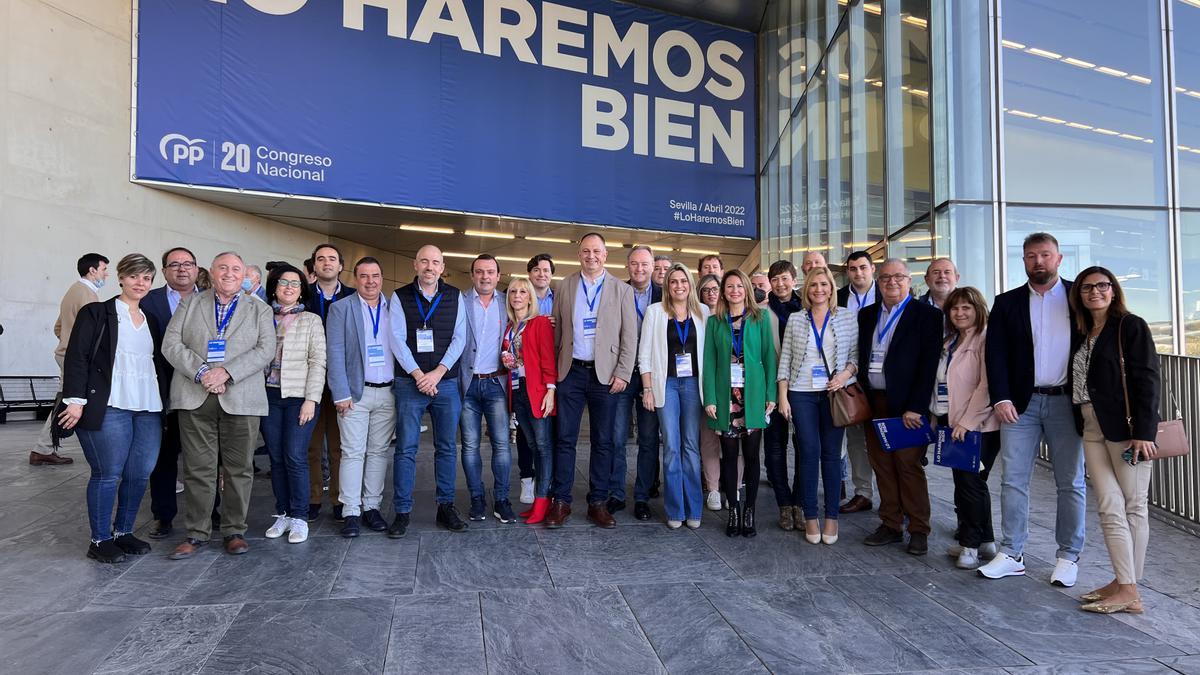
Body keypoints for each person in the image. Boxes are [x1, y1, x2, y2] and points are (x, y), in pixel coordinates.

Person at [979, 232, 1086, 587]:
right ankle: (1012, 553)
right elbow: (995, 354)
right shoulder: (1007, 303)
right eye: (1030, 256)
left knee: (1070, 482)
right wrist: (1001, 398)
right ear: (1023, 261)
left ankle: (1068, 556)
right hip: (1019, 406)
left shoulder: (1078, 298)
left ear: (1058, 259)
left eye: (1044, 255)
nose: (1037, 262)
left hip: (1066, 404)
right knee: (1013, 480)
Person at [165, 252, 274, 559]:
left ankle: (234, 531)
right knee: (198, 469)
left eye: (236, 269)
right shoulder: (191, 303)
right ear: (210, 273)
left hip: (241, 398)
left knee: (239, 470)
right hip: (194, 394)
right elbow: (171, 344)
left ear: (246, 277)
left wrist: (227, 372)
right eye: (222, 268)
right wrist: (202, 373)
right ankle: (196, 533)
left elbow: (266, 349)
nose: (228, 273)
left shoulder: (259, 309)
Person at [57, 254, 165, 563]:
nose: (140, 283)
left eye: (146, 278)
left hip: (147, 406)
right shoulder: (97, 313)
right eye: (134, 276)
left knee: (139, 473)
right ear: (121, 277)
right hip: (110, 404)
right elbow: (76, 356)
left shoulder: (151, 320)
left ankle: (124, 532)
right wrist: (75, 401)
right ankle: (100, 539)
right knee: (108, 473)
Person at [1068, 267, 1160, 614]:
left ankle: (1129, 589)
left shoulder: (1129, 326)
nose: (1095, 292)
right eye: (1088, 287)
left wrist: (1145, 432)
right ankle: (1124, 583)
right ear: (1079, 294)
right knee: (1109, 506)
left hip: (1127, 430)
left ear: (1113, 289)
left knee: (1134, 506)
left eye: (1102, 286)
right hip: (1092, 427)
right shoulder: (1083, 331)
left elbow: (1148, 378)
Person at [546, 233, 638, 529]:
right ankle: (561, 501)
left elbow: (630, 336)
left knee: (604, 441)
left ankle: (597, 502)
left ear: (605, 255)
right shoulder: (565, 286)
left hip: (606, 374)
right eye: (586, 251)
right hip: (570, 372)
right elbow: (558, 332)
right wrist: (555, 373)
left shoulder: (621, 289)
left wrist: (623, 372)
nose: (591, 256)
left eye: (596, 251)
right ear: (579, 254)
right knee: (564, 439)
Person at [856, 259, 942, 555]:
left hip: (908, 407)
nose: (891, 282)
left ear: (910, 281)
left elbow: (929, 365)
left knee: (908, 466)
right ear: (878, 282)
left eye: (898, 277)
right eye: (885, 278)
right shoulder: (867, 315)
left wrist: (917, 406)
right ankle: (890, 524)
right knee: (882, 466)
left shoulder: (927, 315)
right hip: (874, 403)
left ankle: (919, 528)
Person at [388, 245, 469, 533]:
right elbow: (396, 339)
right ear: (415, 264)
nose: (429, 267)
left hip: (446, 383)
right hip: (410, 383)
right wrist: (420, 375)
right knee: (406, 449)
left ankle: (445, 507)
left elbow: (460, 338)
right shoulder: (399, 297)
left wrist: (437, 373)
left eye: (435, 262)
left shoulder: (456, 296)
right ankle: (402, 511)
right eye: (424, 261)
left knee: (447, 447)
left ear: (442, 265)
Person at [777, 267, 858, 545]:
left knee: (832, 456)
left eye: (824, 284)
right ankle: (810, 516)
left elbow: (855, 356)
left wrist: (844, 376)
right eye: (813, 285)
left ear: (832, 288)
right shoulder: (797, 319)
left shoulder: (846, 317)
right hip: (801, 394)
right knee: (808, 453)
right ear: (806, 290)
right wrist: (783, 396)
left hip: (833, 394)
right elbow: (785, 359)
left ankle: (831, 518)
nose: (819, 289)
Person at [326, 257, 396, 538]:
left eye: (375, 275)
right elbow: (335, 353)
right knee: (353, 452)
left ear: (382, 278)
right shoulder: (340, 308)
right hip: (355, 394)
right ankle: (351, 511)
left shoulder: (394, 307)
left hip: (388, 392)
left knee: (379, 452)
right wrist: (340, 393)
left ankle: (372, 507)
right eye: (364, 276)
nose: (370, 281)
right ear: (355, 279)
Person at [703, 270, 777, 538]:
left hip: (754, 397)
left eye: (739, 286)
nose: (734, 290)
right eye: (729, 286)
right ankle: (733, 510)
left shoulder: (761, 318)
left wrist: (771, 394)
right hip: (726, 399)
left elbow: (769, 356)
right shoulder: (715, 322)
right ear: (723, 292)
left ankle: (750, 511)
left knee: (753, 456)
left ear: (746, 289)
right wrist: (709, 398)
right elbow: (709, 363)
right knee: (730, 456)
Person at [934, 287, 1000, 569]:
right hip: (953, 423)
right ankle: (986, 542)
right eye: (955, 308)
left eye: (966, 308)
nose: (960, 313)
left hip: (979, 427)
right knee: (967, 484)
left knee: (971, 485)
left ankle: (971, 546)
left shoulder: (986, 339)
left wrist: (968, 423)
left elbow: (987, 385)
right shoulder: (951, 340)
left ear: (978, 309)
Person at [260, 264, 326, 544]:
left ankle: (300, 516)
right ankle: (283, 513)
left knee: (295, 456)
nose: (289, 287)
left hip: (299, 397)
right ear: (274, 287)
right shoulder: (262, 316)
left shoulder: (311, 320)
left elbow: (318, 361)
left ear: (302, 291)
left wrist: (311, 399)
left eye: (295, 284)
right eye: (284, 282)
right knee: (275, 458)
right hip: (268, 396)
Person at [640, 263, 708, 529]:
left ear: (690, 285)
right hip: (665, 384)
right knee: (670, 446)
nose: (679, 286)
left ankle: (694, 509)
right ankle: (675, 509)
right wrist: (647, 388)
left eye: (683, 281)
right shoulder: (655, 312)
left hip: (693, 385)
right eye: (673, 282)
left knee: (691, 446)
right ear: (667, 286)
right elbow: (644, 354)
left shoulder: (703, 312)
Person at [30, 252, 109, 466]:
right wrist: (77, 348)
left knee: (65, 399)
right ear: (92, 270)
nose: (107, 274)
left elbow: (58, 327)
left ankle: (43, 448)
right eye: (104, 269)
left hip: (66, 355)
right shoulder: (87, 295)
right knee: (68, 401)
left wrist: (67, 341)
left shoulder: (72, 291)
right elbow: (91, 334)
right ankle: (43, 448)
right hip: (76, 359)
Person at [141, 247, 198, 539]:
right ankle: (163, 516)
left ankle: (208, 513)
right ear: (163, 271)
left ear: (197, 269)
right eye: (174, 265)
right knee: (163, 458)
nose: (182, 269)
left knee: (202, 458)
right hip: (160, 392)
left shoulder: (215, 301)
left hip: (202, 392)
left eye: (188, 263)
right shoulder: (147, 302)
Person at [459, 254, 515, 523]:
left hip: (497, 383)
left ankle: (502, 499)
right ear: (472, 276)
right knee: (469, 446)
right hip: (467, 385)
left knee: (502, 445)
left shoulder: (507, 303)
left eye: (490, 272)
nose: (485, 276)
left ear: (498, 275)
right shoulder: (459, 302)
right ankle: (477, 498)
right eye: (479, 272)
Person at [304, 243, 356, 522]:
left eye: (332, 259)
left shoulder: (352, 296)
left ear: (340, 266)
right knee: (312, 446)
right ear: (313, 265)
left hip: (342, 382)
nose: (326, 263)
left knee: (339, 446)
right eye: (320, 259)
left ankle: (338, 498)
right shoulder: (302, 295)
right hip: (308, 382)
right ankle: (313, 497)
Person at [611, 245, 662, 521]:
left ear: (653, 266)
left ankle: (642, 496)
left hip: (652, 377)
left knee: (649, 438)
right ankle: (617, 493)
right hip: (623, 373)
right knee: (617, 437)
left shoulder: (665, 295)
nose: (639, 269)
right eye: (634, 264)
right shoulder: (617, 292)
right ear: (627, 266)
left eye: (644, 264)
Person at [501, 278, 557, 524]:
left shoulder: (540, 323)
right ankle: (539, 500)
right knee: (533, 446)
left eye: (523, 291)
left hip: (538, 391)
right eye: (513, 291)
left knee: (544, 448)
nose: (517, 295)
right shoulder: (509, 327)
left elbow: (547, 358)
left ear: (530, 297)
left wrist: (551, 390)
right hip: (518, 391)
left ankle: (544, 501)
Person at [836, 250, 877, 515]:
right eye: (852, 268)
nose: (858, 273)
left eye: (863, 267)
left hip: (881, 378)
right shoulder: (837, 297)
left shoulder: (887, 293)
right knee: (855, 440)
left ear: (872, 269)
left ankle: (898, 499)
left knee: (888, 442)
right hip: (849, 379)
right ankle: (863, 493)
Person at [764, 260, 804, 530]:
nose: (780, 284)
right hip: (770, 388)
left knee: (804, 447)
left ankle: (800, 503)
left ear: (794, 279)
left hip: (802, 388)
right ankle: (784, 504)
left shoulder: (807, 308)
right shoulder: (761, 312)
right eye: (775, 279)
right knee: (775, 448)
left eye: (785, 278)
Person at [515, 253, 557, 504]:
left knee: (544, 440)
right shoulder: (515, 310)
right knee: (528, 437)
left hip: (546, 379)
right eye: (537, 270)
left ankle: (546, 490)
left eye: (546, 270)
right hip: (522, 383)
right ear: (530, 274)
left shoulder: (560, 298)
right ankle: (530, 481)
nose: (542, 274)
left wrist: (550, 386)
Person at [696, 274, 728, 511]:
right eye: (705, 290)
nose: (710, 293)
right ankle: (712, 487)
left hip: (730, 385)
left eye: (715, 289)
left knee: (731, 439)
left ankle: (732, 486)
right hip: (701, 384)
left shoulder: (731, 315)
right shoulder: (697, 315)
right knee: (708, 440)